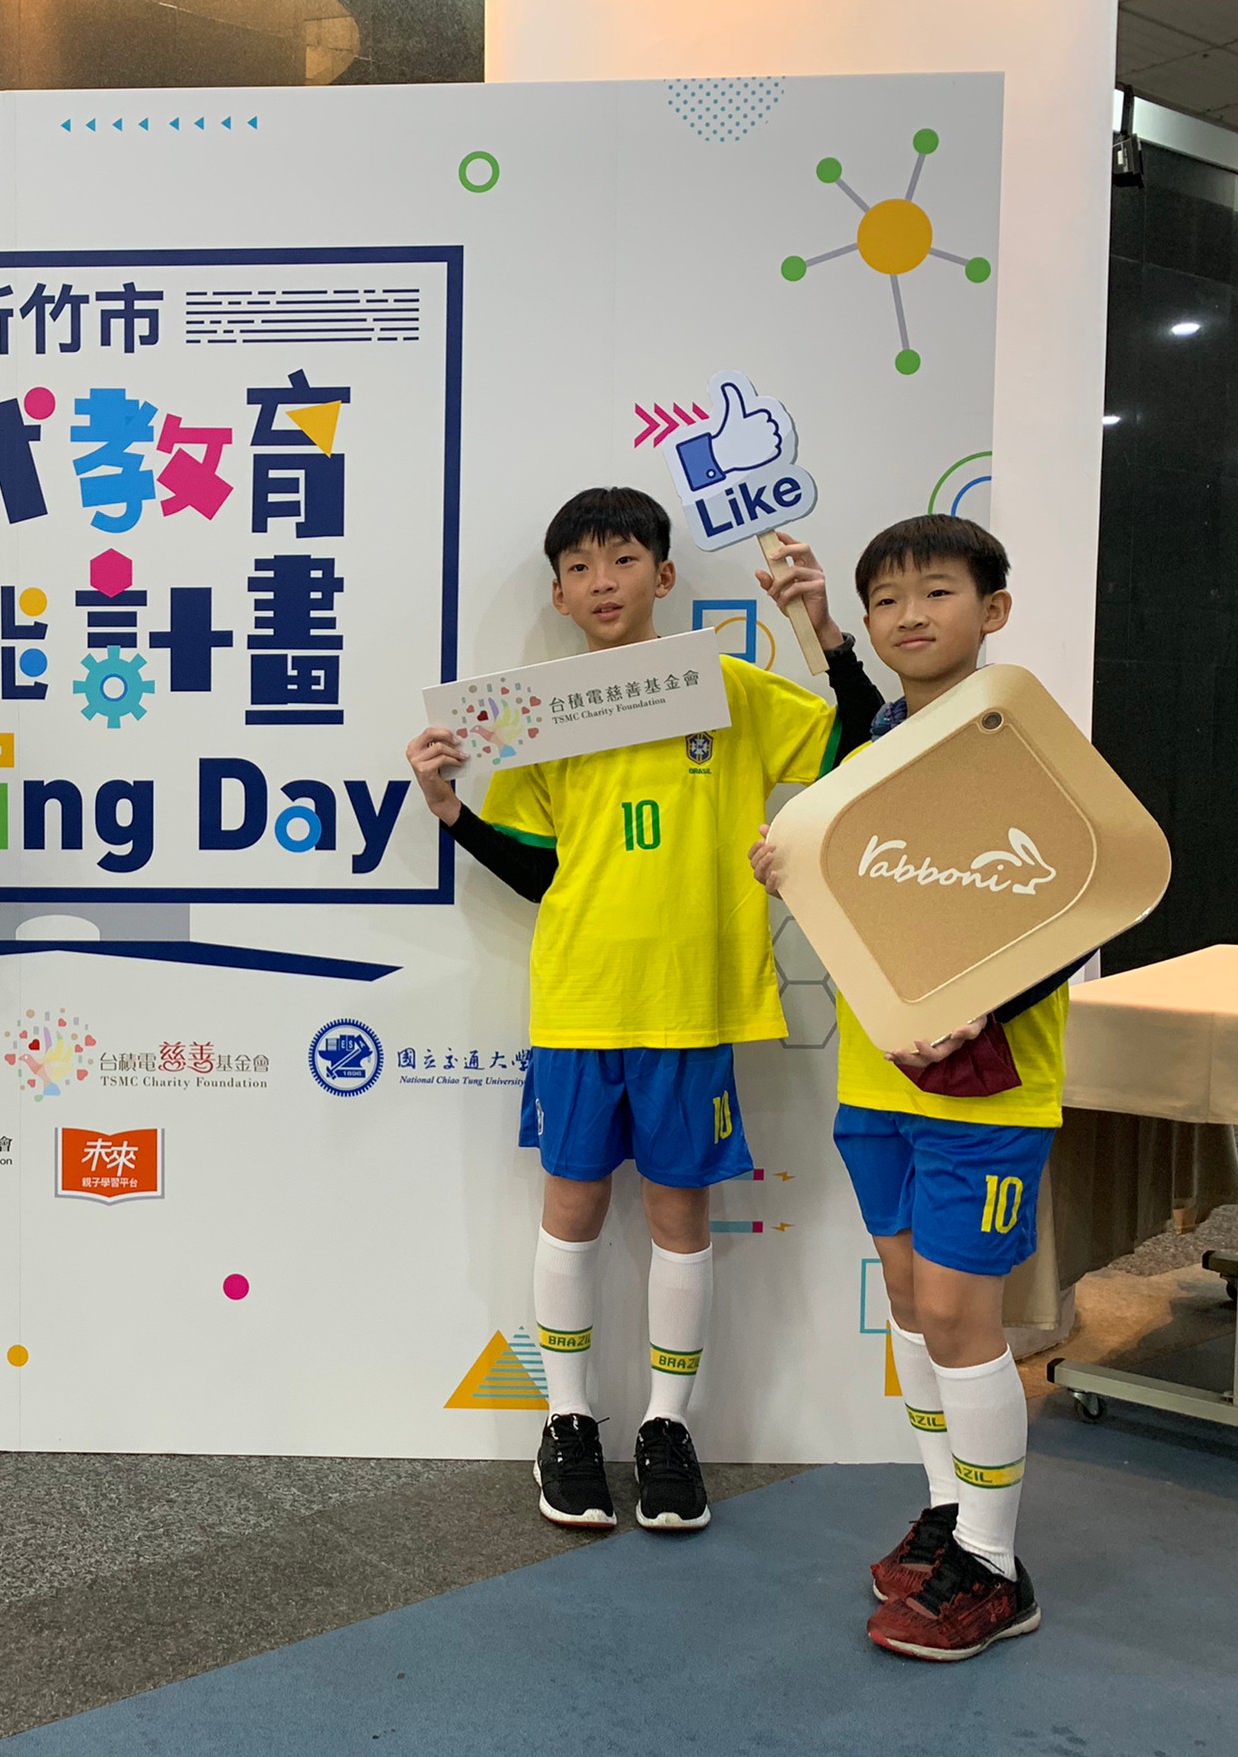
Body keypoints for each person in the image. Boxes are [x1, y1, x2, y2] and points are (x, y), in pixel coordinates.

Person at [406, 487, 880, 1534]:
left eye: (622, 559)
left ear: (663, 576)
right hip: (581, 1005)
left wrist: (826, 633)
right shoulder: (538, 717)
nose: (602, 581)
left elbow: (856, 752)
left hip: (693, 1007)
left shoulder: (727, 687)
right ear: (560, 595)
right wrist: (452, 813)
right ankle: (568, 1419)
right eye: (579, 567)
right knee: (570, 1211)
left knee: (680, 1218)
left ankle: (669, 1424)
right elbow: (544, 874)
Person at [752, 514, 1069, 1660]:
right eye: (888, 599)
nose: (910, 615)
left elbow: (1082, 896)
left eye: (937, 591)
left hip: (990, 1090)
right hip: (877, 1075)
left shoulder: (1022, 745)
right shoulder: (880, 741)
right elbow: (855, 855)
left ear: (995, 609)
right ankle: (949, 1513)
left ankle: (994, 1565)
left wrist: (991, 1002)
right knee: (907, 1300)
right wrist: (792, 863)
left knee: (958, 1314)